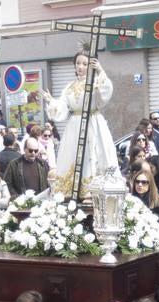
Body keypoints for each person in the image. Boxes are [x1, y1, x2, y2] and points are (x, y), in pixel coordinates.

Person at [41, 52, 116, 198]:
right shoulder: (69, 87)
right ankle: (72, 191)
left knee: (92, 156)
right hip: (74, 126)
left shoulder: (95, 83)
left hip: (93, 123)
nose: (80, 67)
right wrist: (51, 101)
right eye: (78, 63)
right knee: (72, 155)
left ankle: (91, 190)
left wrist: (101, 71)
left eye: (85, 64)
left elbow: (105, 92)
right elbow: (63, 107)